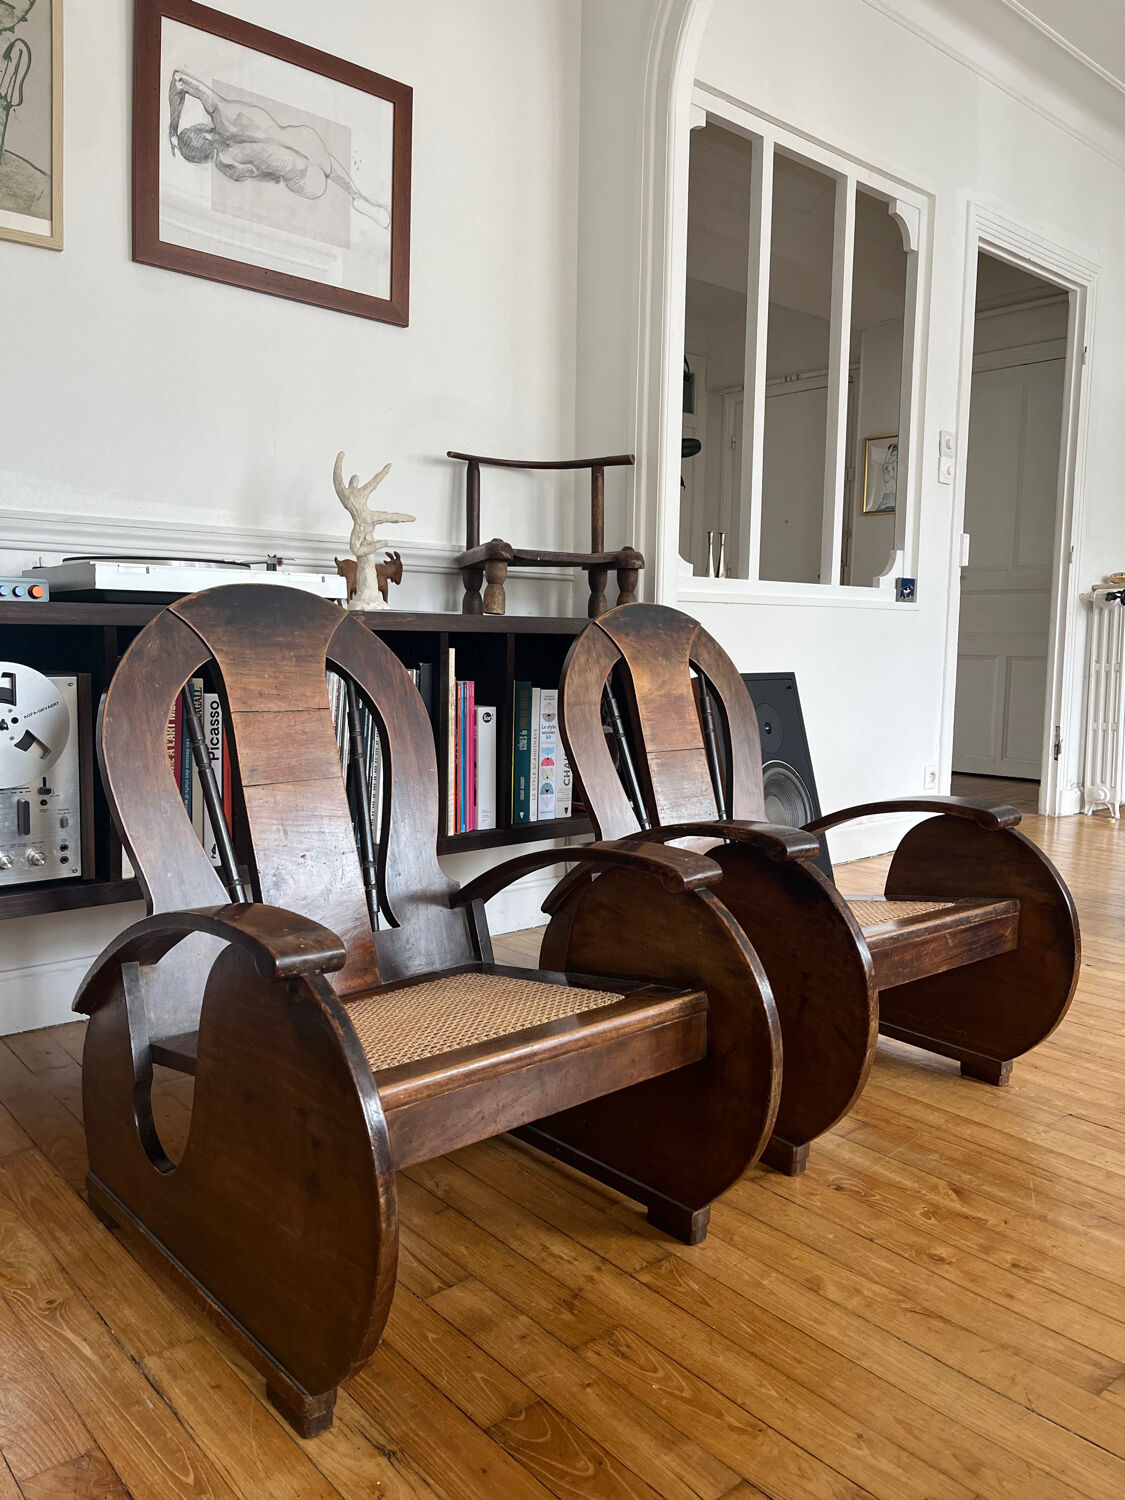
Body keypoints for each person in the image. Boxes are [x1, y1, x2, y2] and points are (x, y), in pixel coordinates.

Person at [167, 70, 390, 228]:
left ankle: (357, 198)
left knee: (296, 168)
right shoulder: (224, 112)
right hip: (308, 139)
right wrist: (173, 129)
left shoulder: (225, 163)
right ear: (201, 128)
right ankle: (357, 195)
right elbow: (179, 80)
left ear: (204, 157)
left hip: (305, 179)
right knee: (321, 160)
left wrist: (272, 174)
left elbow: (266, 176)